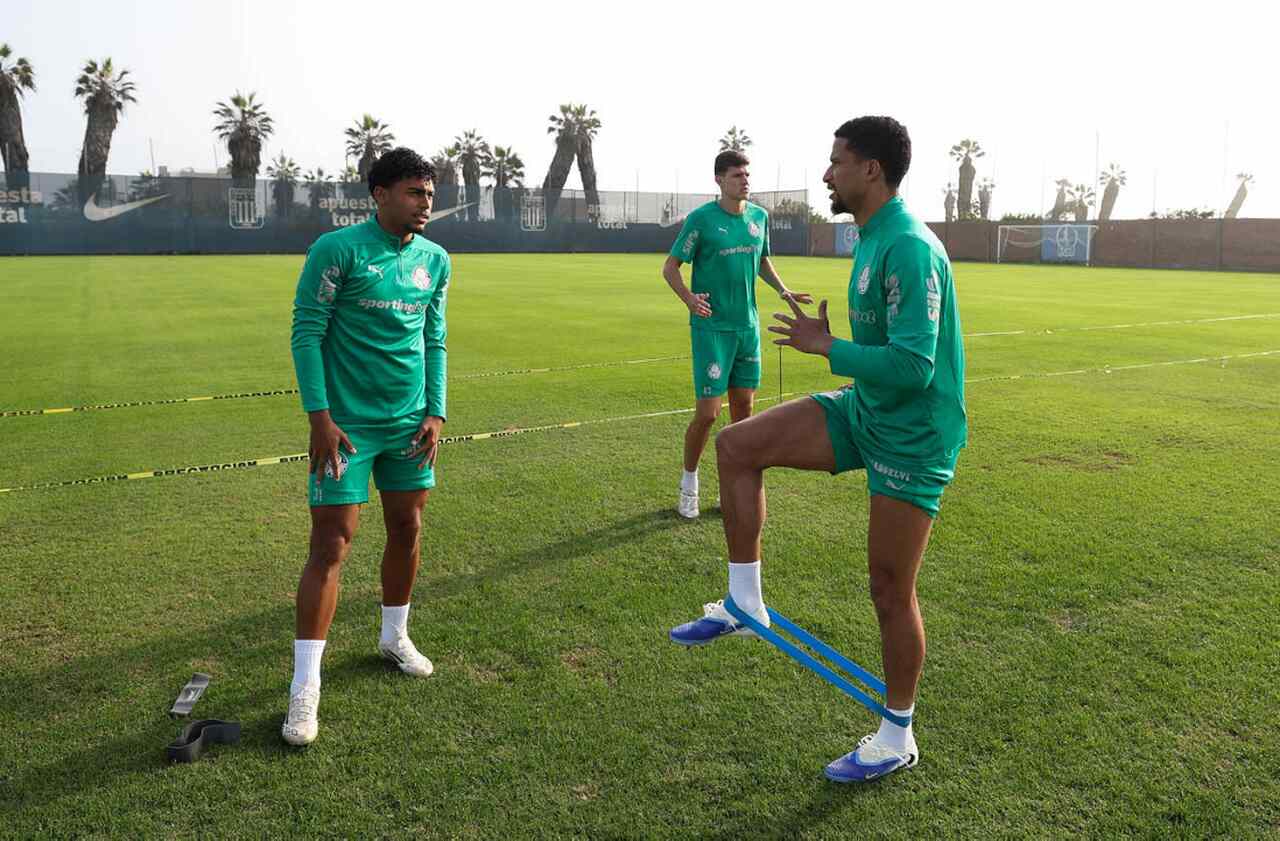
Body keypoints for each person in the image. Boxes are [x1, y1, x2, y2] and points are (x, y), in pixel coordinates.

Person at [669, 117, 967, 783]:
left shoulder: (911, 247)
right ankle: (745, 603)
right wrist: (837, 349)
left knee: (890, 588)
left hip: (915, 434)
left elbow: (917, 366)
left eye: (837, 162)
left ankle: (897, 734)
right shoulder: (871, 239)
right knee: (738, 446)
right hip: (867, 408)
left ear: (872, 170)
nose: (827, 173)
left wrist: (828, 347)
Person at [283, 147, 451, 746]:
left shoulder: (436, 260)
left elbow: (435, 338)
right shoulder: (338, 250)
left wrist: (436, 411)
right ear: (378, 194)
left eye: (429, 193)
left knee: (407, 528)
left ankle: (393, 635)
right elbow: (307, 332)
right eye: (413, 192)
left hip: (409, 425)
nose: (425, 202)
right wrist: (319, 419)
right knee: (331, 543)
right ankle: (306, 688)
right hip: (346, 428)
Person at [661, 150, 811, 519]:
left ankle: (735, 489)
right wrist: (690, 299)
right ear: (719, 181)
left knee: (744, 413)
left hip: (747, 328)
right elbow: (670, 268)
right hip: (712, 330)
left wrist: (783, 290)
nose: (745, 180)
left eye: (746, 174)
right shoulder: (701, 221)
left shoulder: (759, 217)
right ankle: (689, 484)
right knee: (708, 415)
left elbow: (761, 260)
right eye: (736, 176)